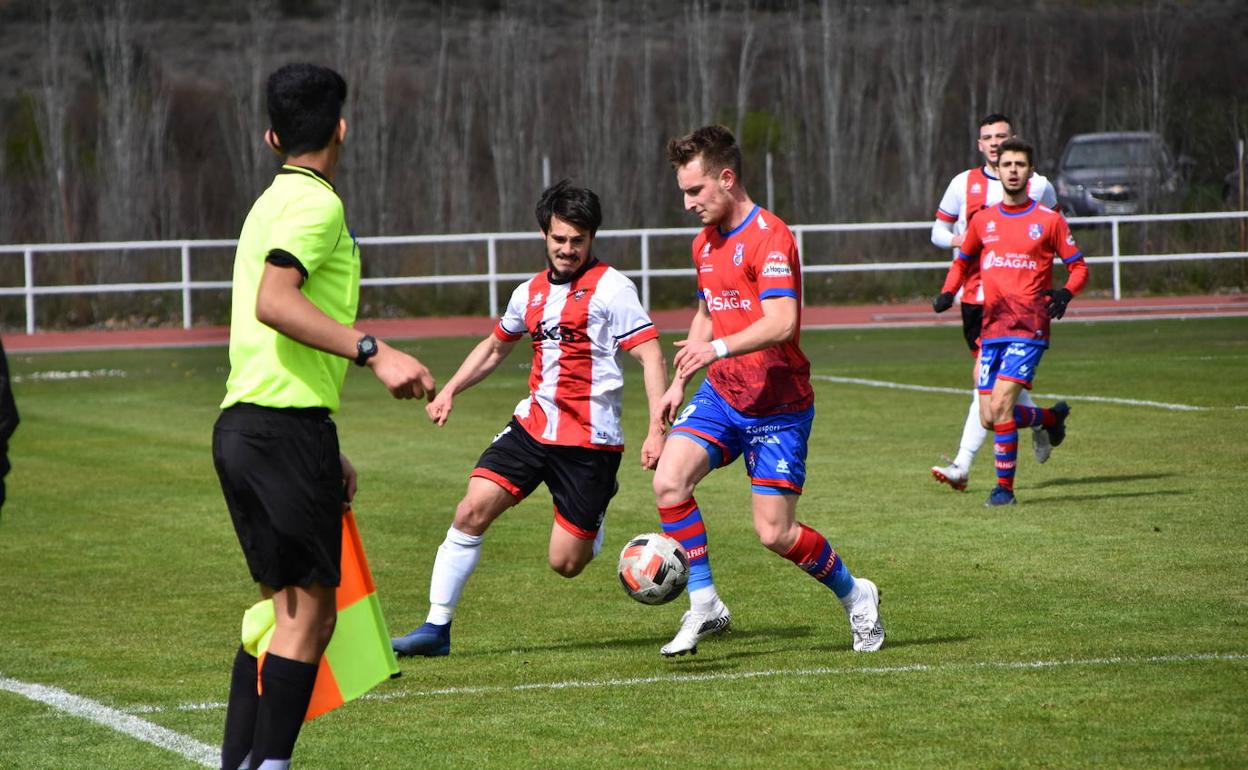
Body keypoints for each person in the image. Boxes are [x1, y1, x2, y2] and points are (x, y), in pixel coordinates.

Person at [212, 63, 436, 770]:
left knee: (277, 619)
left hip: (249, 425)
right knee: (310, 618)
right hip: (282, 429)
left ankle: (242, 763)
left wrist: (322, 440)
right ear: (342, 128)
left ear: (271, 135)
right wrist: (375, 351)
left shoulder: (267, 202)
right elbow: (276, 301)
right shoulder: (318, 205)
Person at [391, 180, 669, 658]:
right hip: (533, 425)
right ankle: (436, 628)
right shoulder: (530, 293)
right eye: (559, 239)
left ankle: (594, 516)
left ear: (591, 238)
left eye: (577, 241)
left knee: (565, 563)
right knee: (471, 509)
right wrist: (451, 390)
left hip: (590, 442)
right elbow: (497, 346)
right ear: (545, 233)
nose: (567, 249)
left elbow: (650, 356)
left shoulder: (612, 289)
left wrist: (656, 430)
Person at [650, 125, 883, 657]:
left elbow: (782, 321)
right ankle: (705, 603)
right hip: (724, 396)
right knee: (669, 481)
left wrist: (717, 349)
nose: (687, 204)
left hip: (779, 406)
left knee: (775, 534)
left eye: (695, 191)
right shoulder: (703, 244)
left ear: (726, 179)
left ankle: (856, 594)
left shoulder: (771, 237)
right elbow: (709, 309)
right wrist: (679, 380)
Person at [936, 137, 1088, 506]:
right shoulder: (983, 220)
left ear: (1030, 171)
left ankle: (1004, 490)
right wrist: (947, 291)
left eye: (1021, 165)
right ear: (998, 170)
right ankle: (1049, 419)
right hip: (993, 328)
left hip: (1030, 327)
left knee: (1001, 404)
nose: (1014, 171)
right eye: (1008, 165)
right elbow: (963, 260)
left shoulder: (1048, 221)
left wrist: (1065, 293)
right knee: (989, 416)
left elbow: (1079, 266)